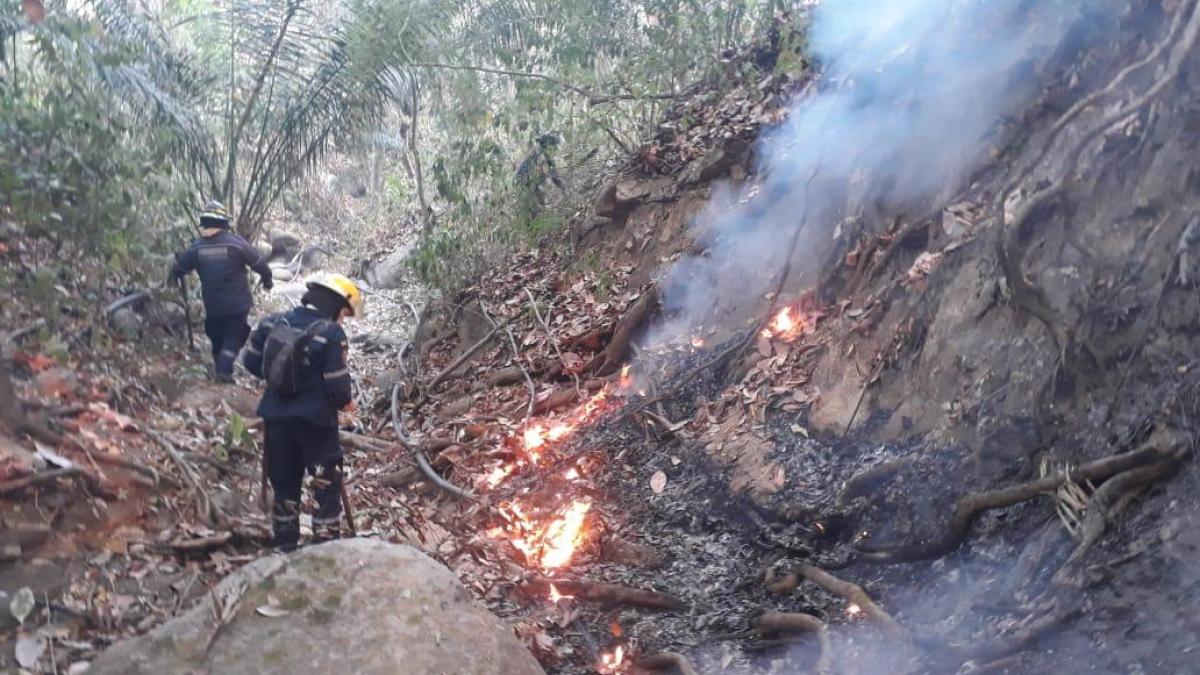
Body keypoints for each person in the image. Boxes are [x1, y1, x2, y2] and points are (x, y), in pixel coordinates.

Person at [243, 273, 361, 550]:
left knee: (284, 484)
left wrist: (283, 382)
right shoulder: (331, 334)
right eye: (343, 313)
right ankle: (325, 546)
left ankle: (285, 546)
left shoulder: (273, 322)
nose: (342, 320)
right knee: (325, 485)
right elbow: (339, 390)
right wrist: (339, 402)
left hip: (275, 420)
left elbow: (250, 362)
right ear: (334, 305)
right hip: (316, 424)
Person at [170, 201, 273, 383]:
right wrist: (267, 280)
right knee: (235, 334)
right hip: (237, 304)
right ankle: (224, 370)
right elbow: (260, 264)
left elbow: (178, 269)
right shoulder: (237, 245)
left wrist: (172, 279)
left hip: (213, 305)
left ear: (204, 222)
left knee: (216, 336)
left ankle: (220, 369)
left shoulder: (197, 248)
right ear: (225, 223)